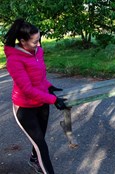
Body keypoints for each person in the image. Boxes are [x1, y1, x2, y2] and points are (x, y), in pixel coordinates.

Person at [3, 18, 67, 174]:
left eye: (39, 40)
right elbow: (27, 89)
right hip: (25, 108)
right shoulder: (14, 60)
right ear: (23, 41)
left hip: (41, 103)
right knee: (42, 147)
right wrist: (53, 100)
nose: (38, 45)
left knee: (40, 139)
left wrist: (50, 87)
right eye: (34, 42)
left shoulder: (38, 51)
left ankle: (33, 159)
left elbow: (40, 77)